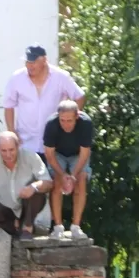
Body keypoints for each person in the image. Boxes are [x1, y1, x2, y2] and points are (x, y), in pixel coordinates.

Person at [43, 100, 94, 240]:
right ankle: (58, 227)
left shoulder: (86, 123)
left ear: (77, 116)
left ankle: (76, 227)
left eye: (69, 120)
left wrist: (73, 176)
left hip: (78, 155)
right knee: (56, 182)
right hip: (57, 154)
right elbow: (49, 154)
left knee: (81, 181)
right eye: (62, 120)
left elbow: (84, 153)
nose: (65, 124)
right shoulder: (51, 124)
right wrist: (62, 174)